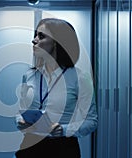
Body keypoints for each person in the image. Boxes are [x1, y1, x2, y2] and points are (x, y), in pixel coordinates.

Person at [15, 18, 98, 158]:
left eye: (41, 36)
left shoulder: (80, 78)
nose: (34, 40)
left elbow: (91, 121)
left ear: (56, 42)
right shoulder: (29, 75)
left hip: (63, 148)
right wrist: (20, 122)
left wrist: (64, 130)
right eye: (35, 35)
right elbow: (20, 111)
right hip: (30, 146)